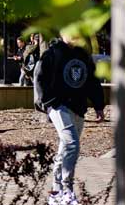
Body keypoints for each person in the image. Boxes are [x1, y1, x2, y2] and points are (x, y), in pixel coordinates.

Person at [33, 34, 105, 205]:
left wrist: (99, 105)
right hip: (58, 106)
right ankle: (67, 190)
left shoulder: (82, 55)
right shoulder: (52, 53)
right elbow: (39, 78)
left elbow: (92, 81)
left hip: (78, 107)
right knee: (72, 143)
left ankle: (55, 191)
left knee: (65, 147)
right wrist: (48, 103)